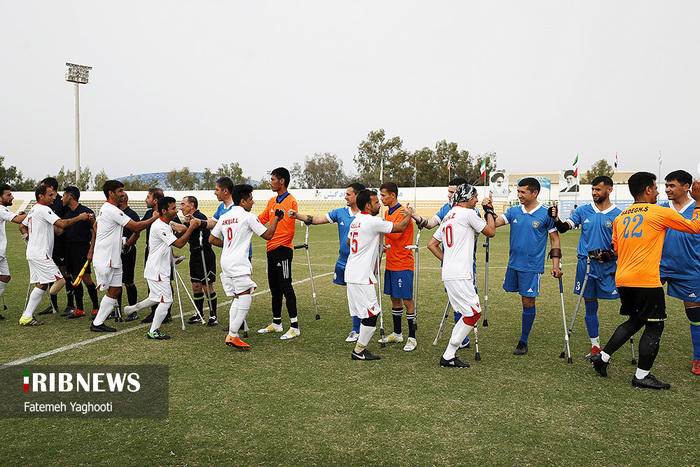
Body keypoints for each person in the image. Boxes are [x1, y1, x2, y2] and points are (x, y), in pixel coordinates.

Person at [590, 172, 700, 389]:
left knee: (636, 320)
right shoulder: (658, 211)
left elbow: (617, 250)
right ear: (648, 190)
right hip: (646, 279)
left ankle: (602, 357)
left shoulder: (621, 217)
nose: (660, 192)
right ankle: (642, 375)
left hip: (623, 278)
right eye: (656, 188)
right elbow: (695, 227)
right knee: (655, 326)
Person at [549, 176, 621, 358]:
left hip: (609, 267)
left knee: (625, 305)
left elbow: (623, 244)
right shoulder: (583, 210)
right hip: (586, 265)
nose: (595, 193)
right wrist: (556, 219)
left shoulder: (619, 214)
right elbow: (565, 227)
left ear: (609, 190)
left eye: (598, 189)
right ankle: (595, 346)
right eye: (593, 189)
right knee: (590, 306)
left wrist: (610, 254)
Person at [427, 183, 496, 367]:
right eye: (474, 196)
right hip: (461, 274)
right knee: (474, 313)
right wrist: (489, 210)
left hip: (450, 272)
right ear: (466, 197)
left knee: (466, 312)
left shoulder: (449, 215)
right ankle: (449, 354)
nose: (476, 200)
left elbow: (431, 244)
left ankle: (450, 354)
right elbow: (491, 232)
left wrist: (446, 260)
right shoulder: (468, 214)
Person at [287, 182, 366, 342]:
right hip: (344, 261)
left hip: (360, 262)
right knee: (352, 297)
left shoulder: (367, 216)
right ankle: (356, 329)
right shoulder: (340, 212)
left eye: (348, 194)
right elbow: (316, 219)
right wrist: (297, 216)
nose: (345, 197)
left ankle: (362, 328)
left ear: (357, 195)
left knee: (361, 296)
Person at [492, 177, 562, 355]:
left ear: (535, 193)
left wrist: (556, 265)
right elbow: (495, 223)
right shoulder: (514, 211)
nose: (519, 195)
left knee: (527, 301)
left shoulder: (546, 213)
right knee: (513, 294)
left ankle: (523, 340)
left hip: (532, 266)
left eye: (523, 192)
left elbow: (555, 239)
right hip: (513, 264)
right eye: (518, 191)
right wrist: (488, 211)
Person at [210, 184, 282, 349]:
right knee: (245, 296)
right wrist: (276, 219)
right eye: (250, 199)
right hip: (238, 262)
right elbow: (268, 235)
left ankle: (233, 334)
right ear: (242, 201)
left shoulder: (224, 216)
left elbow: (212, 239)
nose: (253, 202)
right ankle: (233, 334)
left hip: (226, 261)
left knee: (237, 296)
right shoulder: (248, 217)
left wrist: (228, 245)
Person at [346, 189, 413, 361]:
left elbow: (349, 241)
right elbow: (399, 228)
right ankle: (359, 351)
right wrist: (410, 214)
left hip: (353, 272)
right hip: (361, 275)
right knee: (372, 312)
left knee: (366, 312)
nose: (379, 205)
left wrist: (372, 246)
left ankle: (360, 349)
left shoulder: (355, 221)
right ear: (368, 205)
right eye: (376, 202)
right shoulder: (372, 221)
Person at [409, 177, 474, 349]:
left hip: (466, 263)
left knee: (468, 303)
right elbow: (430, 224)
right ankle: (461, 340)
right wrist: (415, 216)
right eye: (448, 192)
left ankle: (460, 338)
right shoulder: (447, 208)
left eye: (452, 192)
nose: (449, 195)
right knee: (456, 301)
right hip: (451, 264)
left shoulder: (470, 209)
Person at [124, 197, 200, 339]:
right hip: (158, 270)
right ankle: (153, 330)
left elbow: (167, 245)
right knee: (167, 300)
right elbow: (179, 243)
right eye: (173, 208)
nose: (176, 210)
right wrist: (191, 227)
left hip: (157, 268)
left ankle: (133, 308)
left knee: (155, 297)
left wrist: (172, 257)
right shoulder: (159, 226)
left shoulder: (165, 225)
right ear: (164, 211)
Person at [18, 185, 91, 326]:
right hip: (40, 254)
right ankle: (53, 305)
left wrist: (29, 238)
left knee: (42, 284)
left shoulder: (33, 209)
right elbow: (62, 224)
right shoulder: (44, 209)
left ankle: (26, 316)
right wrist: (80, 217)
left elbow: (22, 226)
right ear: (41, 196)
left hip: (33, 253)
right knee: (60, 281)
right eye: (50, 195)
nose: (54, 197)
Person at [90, 180, 157, 332]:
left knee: (115, 290)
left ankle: (98, 323)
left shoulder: (109, 209)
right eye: (119, 191)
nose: (122, 194)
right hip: (105, 258)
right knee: (109, 289)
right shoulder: (111, 209)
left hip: (114, 258)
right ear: (111, 193)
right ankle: (99, 320)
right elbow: (136, 227)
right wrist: (155, 217)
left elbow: (96, 226)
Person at [658, 170, 700, 375]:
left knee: (695, 315)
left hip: (689, 269)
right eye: (666, 185)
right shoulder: (660, 208)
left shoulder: (697, 208)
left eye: (672, 185)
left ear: (686, 187)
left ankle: (698, 358)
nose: (667, 189)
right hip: (659, 267)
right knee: (645, 310)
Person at [257, 167, 300, 340]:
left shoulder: (291, 201)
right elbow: (261, 219)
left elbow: (290, 228)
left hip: (283, 249)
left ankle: (294, 326)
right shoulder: (271, 202)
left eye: (273, 179)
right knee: (274, 288)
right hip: (271, 249)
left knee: (286, 286)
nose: (271, 182)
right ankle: (276, 323)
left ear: (282, 181)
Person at [378, 181, 417, 351]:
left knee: (407, 300)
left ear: (392, 195)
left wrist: (379, 227)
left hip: (403, 263)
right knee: (394, 299)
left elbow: (396, 233)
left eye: (383, 195)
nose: (381, 199)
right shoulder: (386, 213)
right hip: (391, 263)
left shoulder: (403, 212)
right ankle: (397, 333)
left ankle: (412, 338)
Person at [60, 186, 100, 320]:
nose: (62, 198)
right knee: (74, 278)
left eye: (64, 196)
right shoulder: (67, 214)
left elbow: (94, 232)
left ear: (70, 197)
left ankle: (96, 308)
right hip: (69, 248)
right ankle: (79, 309)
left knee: (86, 278)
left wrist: (91, 250)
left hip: (82, 248)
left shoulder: (86, 212)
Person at [36, 177, 74, 315]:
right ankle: (53, 305)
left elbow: (65, 221)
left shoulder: (60, 203)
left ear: (52, 188)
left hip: (61, 243)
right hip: (49, 243)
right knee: (51, 273)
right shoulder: (44, 204)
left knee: (64, 273)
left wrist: (59, 229)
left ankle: (71, 304)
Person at [180, 195, 218, 326]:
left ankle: (213, 315)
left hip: (205, 255)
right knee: (196, 287)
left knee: (207, 287)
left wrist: (169, 222)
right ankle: (199, 313)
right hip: (195, 255)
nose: (181, 207)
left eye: (183, 204)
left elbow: (182, 230)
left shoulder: (199, 217)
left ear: (191, 205)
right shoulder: (189, 219)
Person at [0, 184, 28, 319]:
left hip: (1, 254)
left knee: (5, 277)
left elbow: (16, 217)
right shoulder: (0, 208)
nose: (12, 197)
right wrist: (34, 213)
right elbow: (17, 220)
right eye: (8, 195)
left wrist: (21, 216)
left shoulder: (2, 209)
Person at [117, 192, 141, 321]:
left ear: (123, 200)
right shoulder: (114, 213)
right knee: (115, 282)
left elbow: (136, 232)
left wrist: (126, 245)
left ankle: (133, 310)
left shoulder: (132, 214)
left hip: (128, 251)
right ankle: (117, 310)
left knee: (128, 281)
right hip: (114, 252)